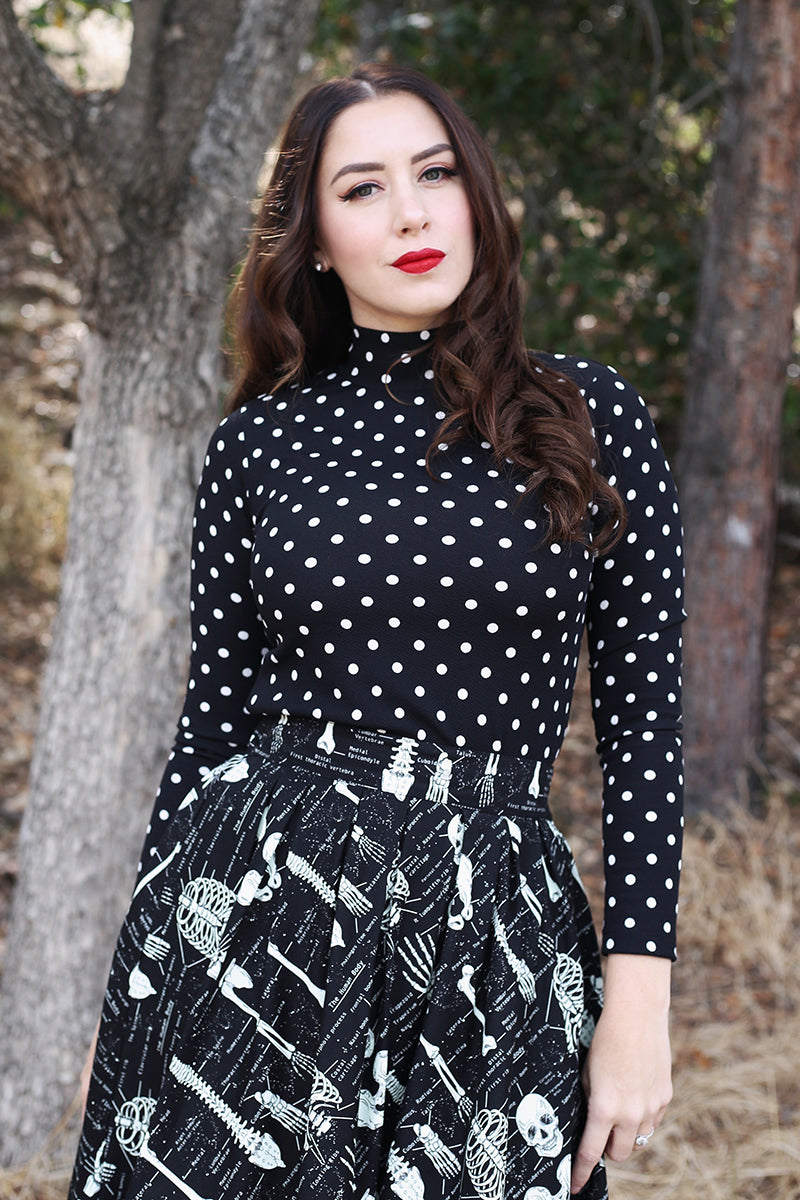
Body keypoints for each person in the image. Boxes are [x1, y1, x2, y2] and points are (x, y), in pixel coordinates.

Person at [69, 62, 684, 1200]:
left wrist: (636, 1000)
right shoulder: (260, 444)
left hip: (491, 938)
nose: (409, 212)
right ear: (310, 238)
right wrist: (149, 968)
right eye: (361, 189)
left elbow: (645, 729)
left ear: (476, 195)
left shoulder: (587, 415)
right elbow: (216, 717)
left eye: (435, 173)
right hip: (263, 919)